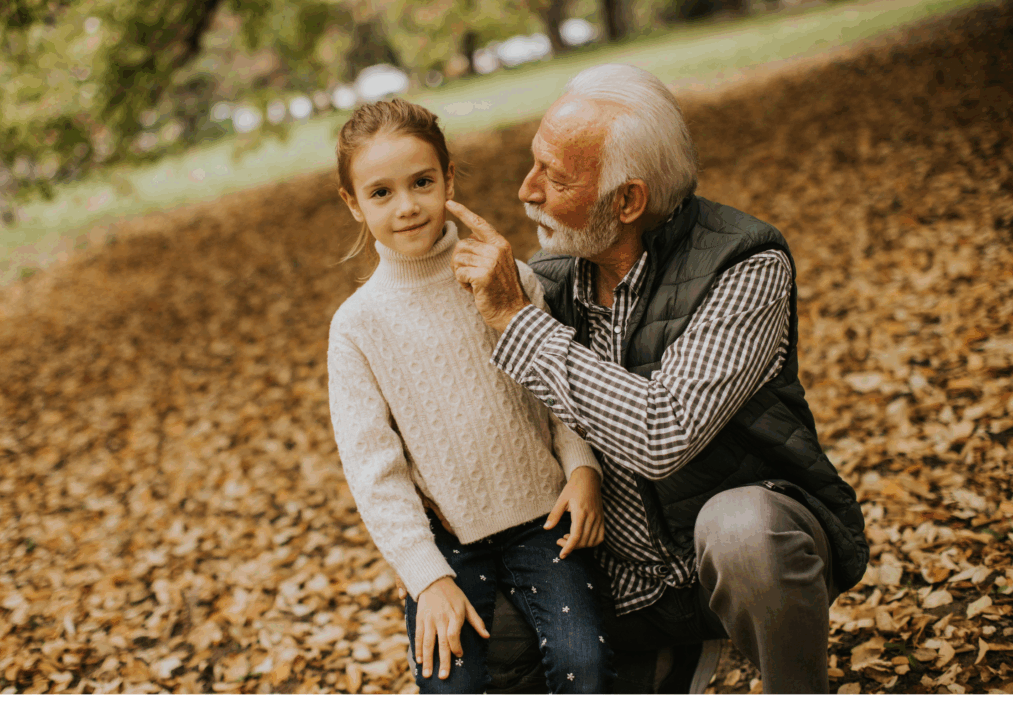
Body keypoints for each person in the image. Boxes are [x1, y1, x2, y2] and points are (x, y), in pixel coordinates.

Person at [446, 64, 869, 694]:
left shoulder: (746, 265)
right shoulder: (549, 278)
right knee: (479, 610)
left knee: (744, 533)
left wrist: (517, 321)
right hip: (610, 583)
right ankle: (662, 663)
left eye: (554, 177)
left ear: (628, 201)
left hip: (725, 567)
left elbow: (661, 432)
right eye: (533, 164)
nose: (525, 190)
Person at [325, 98, 615, 694]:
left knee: (585, 663)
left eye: (422, 182)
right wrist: (426, 577)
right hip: (447, 540)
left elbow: (557, 384)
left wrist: (583, 469)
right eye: (381, 193)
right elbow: (373, 470)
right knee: (449, 682)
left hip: (544, 517)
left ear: (449, 178)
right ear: (353, 202)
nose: (407, 206)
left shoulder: (506, 278)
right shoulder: (356, 326)